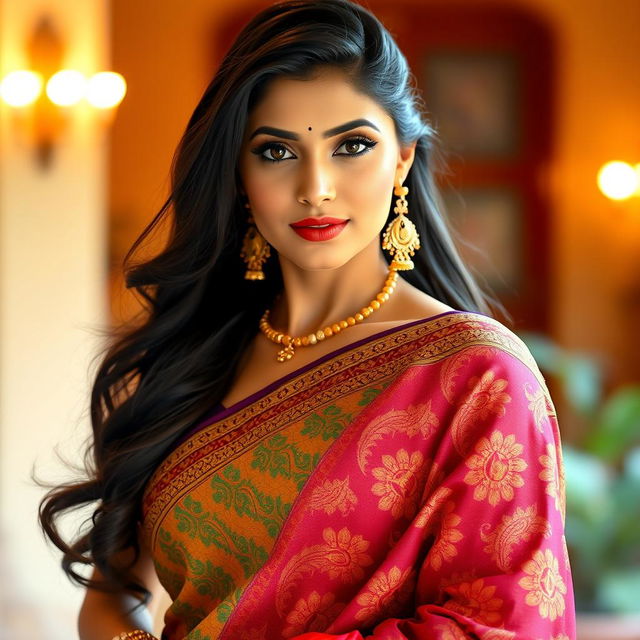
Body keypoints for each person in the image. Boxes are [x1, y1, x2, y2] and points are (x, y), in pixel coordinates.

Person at [39, 1, 576, 638]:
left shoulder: (478, 377)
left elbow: (505, 626)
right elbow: (111, 595)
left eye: (353, 146)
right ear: (239, 174)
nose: (315, 186)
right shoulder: (191, 358)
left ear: (402, 159)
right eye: (275, 152)